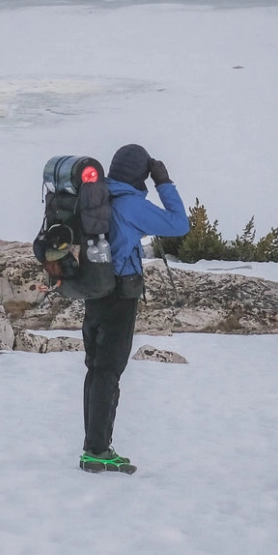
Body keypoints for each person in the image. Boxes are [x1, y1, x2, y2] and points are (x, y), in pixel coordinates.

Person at [80, 143, 191, 474]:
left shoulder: (97, 196)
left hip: (94, 288)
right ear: (141, 174)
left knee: (96, 369)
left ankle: (93, 448)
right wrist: (164, 183)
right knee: (108, 371)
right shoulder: (130, 205)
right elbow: (179, 224)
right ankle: (97, 451)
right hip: (119, 294)